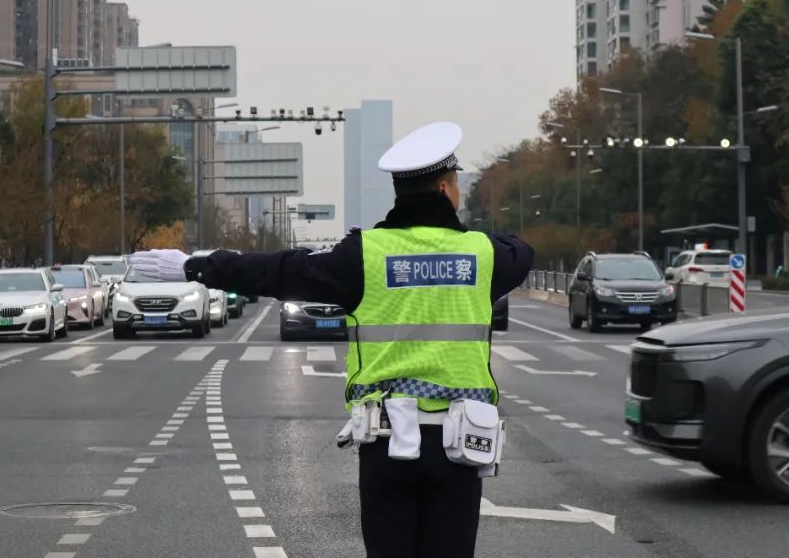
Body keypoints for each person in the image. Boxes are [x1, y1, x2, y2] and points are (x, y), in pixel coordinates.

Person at [130, 122, 534, 558]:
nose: (459, 194)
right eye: (456, 185)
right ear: (443, 189)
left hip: (387, 447)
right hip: (460, 449)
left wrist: (196, 267)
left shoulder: (363, 254)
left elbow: (278, 270)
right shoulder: (483, 253)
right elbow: (523, 250)